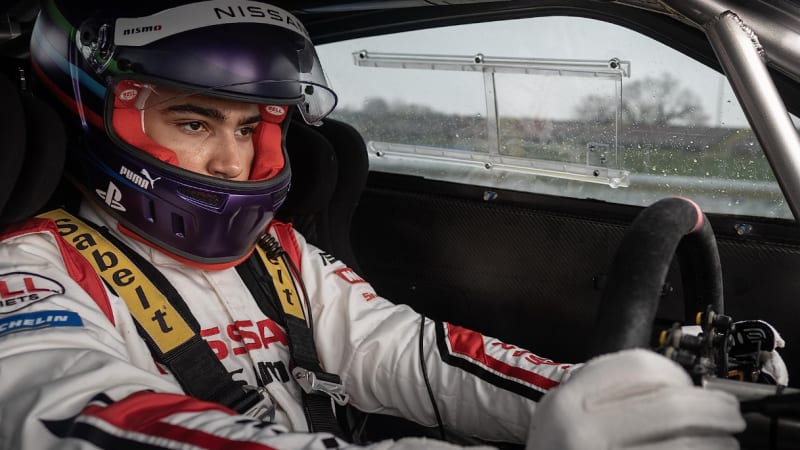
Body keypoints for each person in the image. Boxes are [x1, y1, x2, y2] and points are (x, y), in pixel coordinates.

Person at [0, 1, 749, 448]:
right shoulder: (31, 270)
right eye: (195, 122)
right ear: (93, 112)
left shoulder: (280, 252)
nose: (233, 163)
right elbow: (74, 418)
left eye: (251, 127)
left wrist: (620, 395)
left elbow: (411, 355)